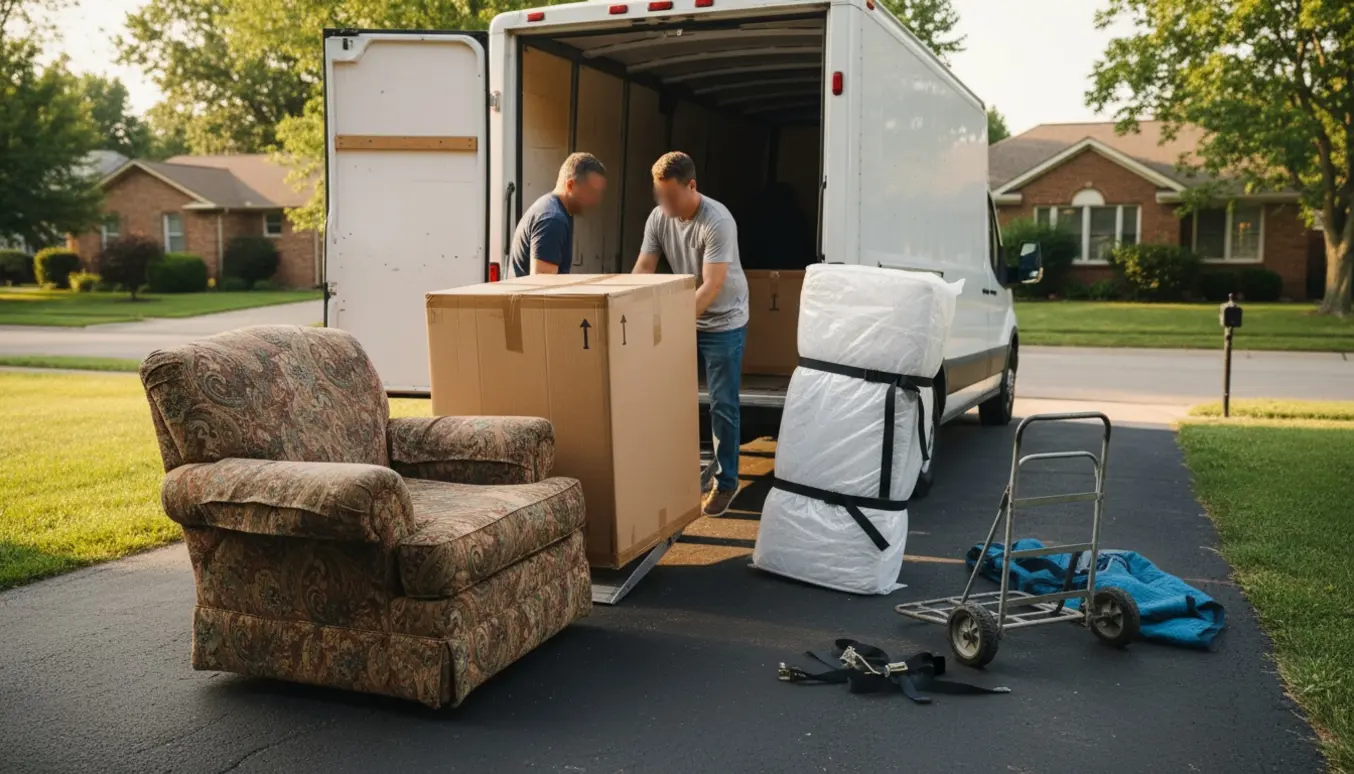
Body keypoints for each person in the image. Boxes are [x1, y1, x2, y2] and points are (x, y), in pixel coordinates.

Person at [633, 151, 749, 517]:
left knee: (722, 404)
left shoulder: (717, 221)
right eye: (659, 195)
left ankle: (727, 481)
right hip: (684, 316)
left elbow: (712, 285)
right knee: (669, 396)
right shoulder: (658, 218)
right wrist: (626, 310)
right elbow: (644, 268)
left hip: (724, 320)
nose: (664, 203)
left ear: (692, 186)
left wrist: (671, 325)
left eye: (670, 195)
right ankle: (680, 474)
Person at [509, 153, 608, 277]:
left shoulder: (554, 210)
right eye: (590, 191)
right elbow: (543, 284)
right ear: (570, 185)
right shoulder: (552, 219)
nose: (595, 200)